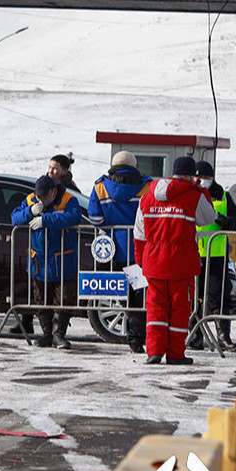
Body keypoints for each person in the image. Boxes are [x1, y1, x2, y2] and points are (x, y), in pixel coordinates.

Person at [134, 156, 218, 365]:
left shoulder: (147, 197)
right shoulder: (193, 195)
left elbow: (139, 234)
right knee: (180, 310)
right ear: (191, 176)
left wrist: (142, 260)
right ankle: (175, 354)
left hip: (154, 263)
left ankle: (154, 352)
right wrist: (202, 191)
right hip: (182, 264)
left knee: (155, 308)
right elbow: (209, 218)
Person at [87, 150, 152, 353]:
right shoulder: (147, 186)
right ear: (134, 165)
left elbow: (95, 219)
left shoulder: (100, 187)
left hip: (112, 251)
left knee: (114, 296)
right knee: (138, 297)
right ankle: (135, 341)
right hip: (140, 252)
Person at [11, 175, 82, 349]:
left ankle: (59, 335)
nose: (40, 199)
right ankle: (46, 335)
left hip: (63, 260)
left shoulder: (68, 200)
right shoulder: (30, 200)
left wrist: (46, 220)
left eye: (44, 196)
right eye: (38, 196)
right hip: (39, 261)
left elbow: (74, 217)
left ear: (53, 191)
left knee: (64, 299)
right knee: (41, 299)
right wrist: (30, 212)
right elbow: (15, 218)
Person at [191, 160, 236, 352]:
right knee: (194, 297)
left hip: (216, 256)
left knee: (219, 297)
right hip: (193, 253)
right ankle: (195, 336)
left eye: (207, 178)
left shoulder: (223, 196)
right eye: (200, 177)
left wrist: (224, 221)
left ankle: (223, 337)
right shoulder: (189, 193)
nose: (204, 181)